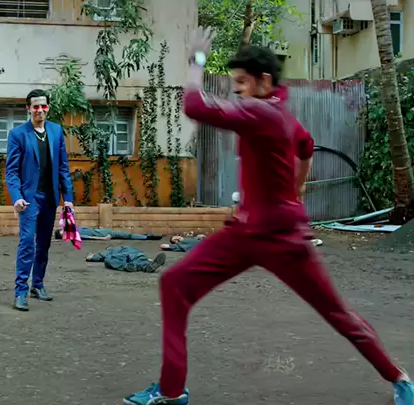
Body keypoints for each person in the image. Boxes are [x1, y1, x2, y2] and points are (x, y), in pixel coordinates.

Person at [123, 28, 413, 405]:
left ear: (263, 81)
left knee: (337, 313)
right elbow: (306, 146)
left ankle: (399, 379)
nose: (237, 91)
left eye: (241, 83)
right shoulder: (283, 117)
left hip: (281, 240)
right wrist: (297, 189)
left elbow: (194, 106)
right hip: (246, 235)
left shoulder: (262, 112)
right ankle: (171, 390)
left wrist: (197, 59)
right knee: (175, 284)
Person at [5, 89, 74, 311]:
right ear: (28, 108)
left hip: (50, 197)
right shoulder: (18, 134)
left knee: (44, 243)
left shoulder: (56, 131)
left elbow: (63, 167)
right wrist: (17, 197)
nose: (40, 110)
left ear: (48, 108)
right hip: (29, 199)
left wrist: (68, 199)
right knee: (27, 243)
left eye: (43, 106)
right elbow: (12, 171)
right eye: (35, 106)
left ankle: (38, 284)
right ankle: (20, 292)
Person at [86, 247, 166, 273]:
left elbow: (96, 257)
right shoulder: (129, 247)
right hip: (135, 254)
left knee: (108, 260)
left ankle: (128, 266)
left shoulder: (109, 251)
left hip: (119, 257)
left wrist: (91, 256)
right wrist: (148, 260)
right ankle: (146, 266)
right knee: (140, 258)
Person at [54, 227, 162, 241]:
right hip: (104, 234)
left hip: (103, 231)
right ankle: (146, 237)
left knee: (126, 234)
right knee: (127, 235)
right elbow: (89, 237)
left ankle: (146, 236)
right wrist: (104, 238)